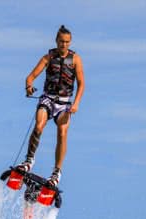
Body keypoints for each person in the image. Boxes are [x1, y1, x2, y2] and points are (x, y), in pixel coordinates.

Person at [16, 25, 84, 187]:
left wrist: (76, 104)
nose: (64, 45)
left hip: (65, 103)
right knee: (39, 126)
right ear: (56, 40)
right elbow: (30, 77)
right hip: (48, 99)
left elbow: (81, 84)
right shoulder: (48, 57)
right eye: (61, 41)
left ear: (70, 42)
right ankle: (28, 160)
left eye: (67, 42)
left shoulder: (75, 59)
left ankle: (56, 172)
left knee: (62, 132)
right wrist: (29, 87)